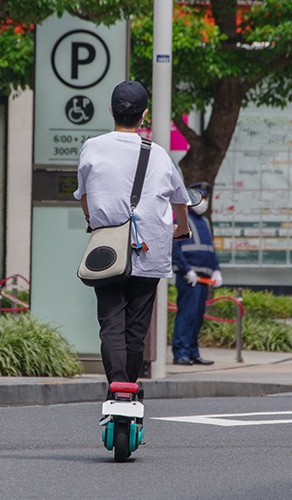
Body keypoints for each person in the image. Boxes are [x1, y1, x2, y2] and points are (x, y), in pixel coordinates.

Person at [74, 81, 191, 393]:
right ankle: (129, 388)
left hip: (108, 249)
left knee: (111, 323)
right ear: (145, 116)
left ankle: (117, 387)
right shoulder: (160, 155)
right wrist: (183, 228)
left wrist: (93, 220)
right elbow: (179, 200)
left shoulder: (92, 147)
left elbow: (84, 195)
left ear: (111, 110)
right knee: (136, 329)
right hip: (150, 249)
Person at [171, 181, 223, 365]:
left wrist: (216, 270)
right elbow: (174, 247)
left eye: (207, 198)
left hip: (204, 278)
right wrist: (186, 270)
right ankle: (181, 353)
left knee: (197, 317)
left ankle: (193, 352)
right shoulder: (181, 217)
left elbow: (210, 249)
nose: (205, 201)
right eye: (202, 197)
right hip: (189, 277)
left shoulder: (205, 222)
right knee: (187, 315)